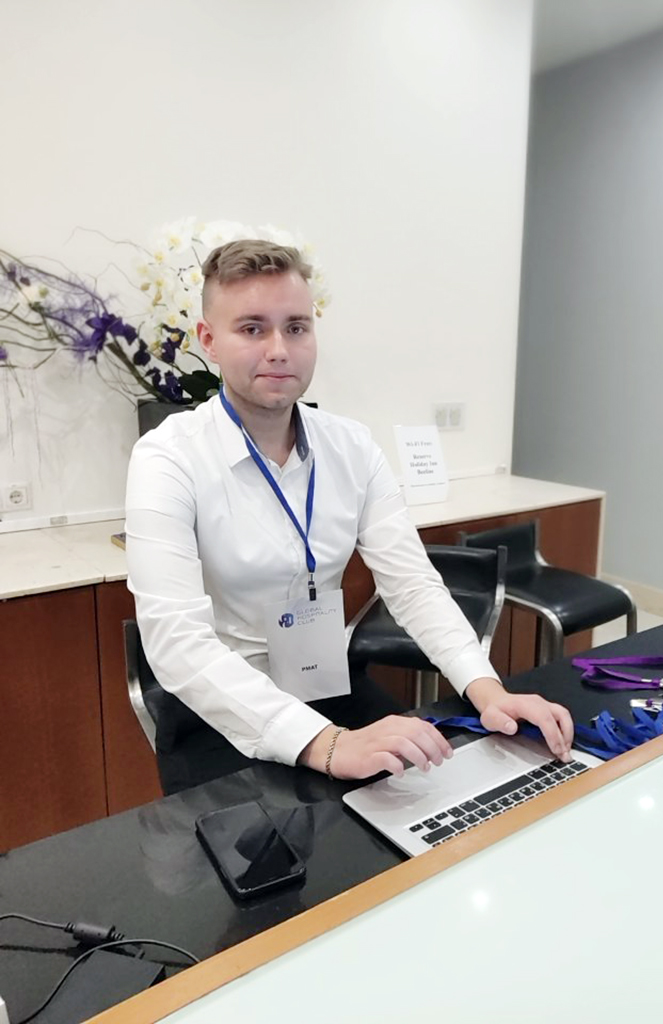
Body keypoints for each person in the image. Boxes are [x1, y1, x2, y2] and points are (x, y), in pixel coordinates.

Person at [125, 239, 573, 792]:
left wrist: (487, 689)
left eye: (295, 327)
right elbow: (176, 643)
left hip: (324, 680)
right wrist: (326, 743)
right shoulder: (166, 458)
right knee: (294, 846)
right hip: (220, 704)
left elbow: (412, 584)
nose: (279, 349)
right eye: (252, 328)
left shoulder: (352, 446)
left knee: (440, 795)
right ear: (209, 340)